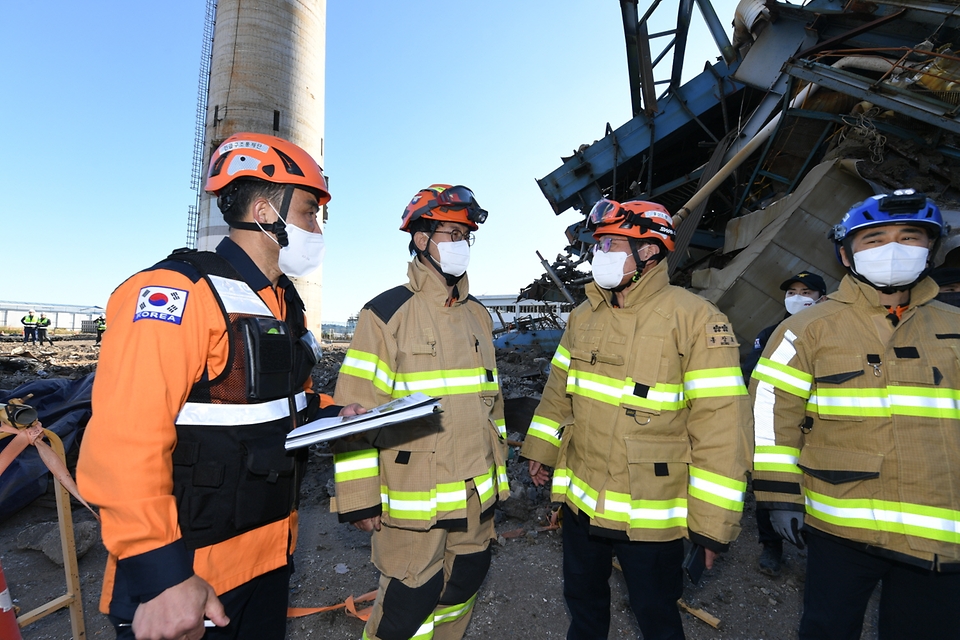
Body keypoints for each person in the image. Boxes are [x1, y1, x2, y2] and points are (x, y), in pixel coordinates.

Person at [77, 132, 364, 640]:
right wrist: (164, 578)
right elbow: (124, 441)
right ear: (262, 211)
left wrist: (333, 414)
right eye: (307, 212)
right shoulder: (178, 293)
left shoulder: (283, 305)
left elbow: (283, 403)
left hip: (270, 558)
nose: (316, 229)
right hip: (192, 579)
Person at [521, 198, 752, 640]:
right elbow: (557, 394)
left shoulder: (696, 319)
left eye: (611, 243)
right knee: (583, 606)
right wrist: (541, 451)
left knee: (656, 615)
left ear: (649, 251)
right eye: (598, 244)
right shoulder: (582, 317)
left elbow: (722, 429)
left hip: (650, 514)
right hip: (581, 503)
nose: (599, 254)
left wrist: (712, 526)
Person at [750, 189, 960, 639]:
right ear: (846, 255)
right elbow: (770, 415)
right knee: (828, 628)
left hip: (942, 530)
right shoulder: (806, 329)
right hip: (841, 525)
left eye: (910, 237)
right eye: (875, 239)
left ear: (931, 250)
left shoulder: (954, 326)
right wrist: (778, 495)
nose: (893, 249)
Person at [332, 184, 510, 640]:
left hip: (476, 493)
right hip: (416, 494)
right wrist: (359, 497)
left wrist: (500, 468)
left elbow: (492, 404)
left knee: (464, 585)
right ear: (421, 239)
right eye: (450, 233)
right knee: (409, 602)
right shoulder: (385, 313)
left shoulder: (478, 317)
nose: (461, 244)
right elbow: (354, 412)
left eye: (466, 235)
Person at [741, 271, 827, 577]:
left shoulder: (834, 331)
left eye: (806, 291)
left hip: (822, 428)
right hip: (780, 423)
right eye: (792, 292)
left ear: (821, 297)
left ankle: (821, 550)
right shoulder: (771, 333)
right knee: (773, 481)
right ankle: (771, 547)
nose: (798, 297)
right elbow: (751, 371)